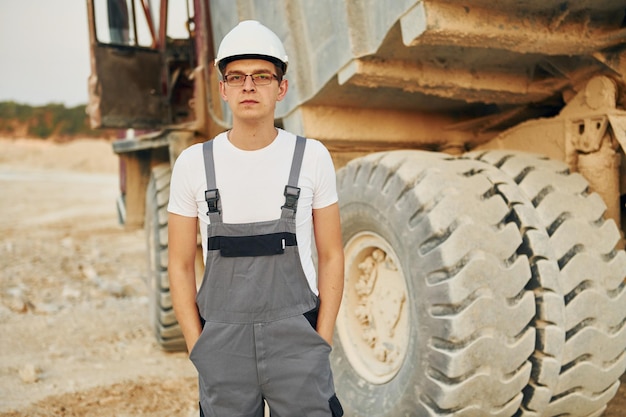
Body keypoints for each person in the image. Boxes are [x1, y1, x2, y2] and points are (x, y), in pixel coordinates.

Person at [167, 20, 345, 417]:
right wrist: (199, 347)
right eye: (237, 76)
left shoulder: (311, 157)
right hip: (221, 346)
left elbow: (332, 253)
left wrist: (321, 341)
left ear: (281, 87)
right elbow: (178, 264)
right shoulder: (194, 164)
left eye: (262, 76)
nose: (249, 86)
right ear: (223, 89)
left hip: (297, 344)